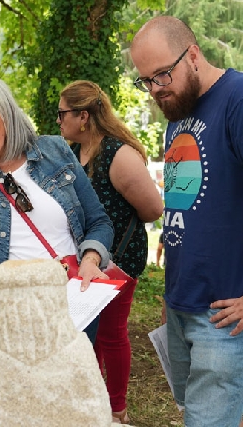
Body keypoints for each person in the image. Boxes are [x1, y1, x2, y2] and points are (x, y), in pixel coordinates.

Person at [0, 74, 114, 364]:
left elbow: (98, 221)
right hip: (6, 317)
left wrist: (91, 258)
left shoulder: (55, 152)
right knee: (20, 404)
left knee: (71, 400)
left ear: (6, 114)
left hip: (71, 306)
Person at [131, 16, 243, 426]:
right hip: (181, 304)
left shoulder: (237, 98)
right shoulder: (178, 109)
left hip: (224, 315)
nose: (156, 90)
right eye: (146, 81)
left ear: (193, 55)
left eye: (163, 74)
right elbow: (183, 208)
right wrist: (170, 294)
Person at [58, 79, 164, 423]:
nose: (58, 121)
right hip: (87, 260)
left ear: (84, 116)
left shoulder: (119, 155)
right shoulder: (73, 153)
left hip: (118, 259)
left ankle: (116, 409)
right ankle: (94, 402)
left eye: (62, 114)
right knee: (90, 330)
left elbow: (152, 210)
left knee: (111, 333)